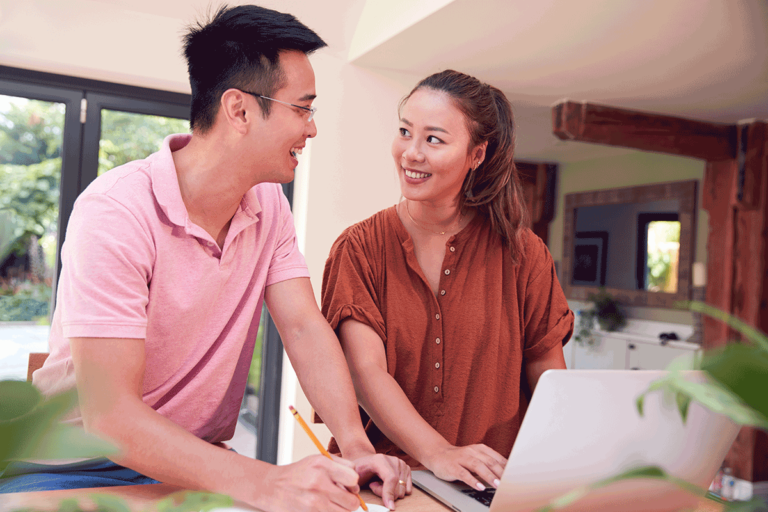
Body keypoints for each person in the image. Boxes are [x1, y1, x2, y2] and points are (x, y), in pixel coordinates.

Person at [0, 5, 412, 511]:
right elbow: (111, 417)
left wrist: (355, 447)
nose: (311, 129)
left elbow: (304, 329)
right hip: (72, 467)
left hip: (192, 463)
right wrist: (267, 482)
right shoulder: (115, 211)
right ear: (239, 110)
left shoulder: (269, 208)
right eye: (302, 109)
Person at [321, 70, 574, 492]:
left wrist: (567, 470)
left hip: (491, 486)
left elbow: (550, 380)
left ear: (476, 155)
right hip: (389, 484)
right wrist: (439, 453)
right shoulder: (359, 248)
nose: (411, 153)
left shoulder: (524, 253)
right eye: (405, 132)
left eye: (433, 139)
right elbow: (364, 371)